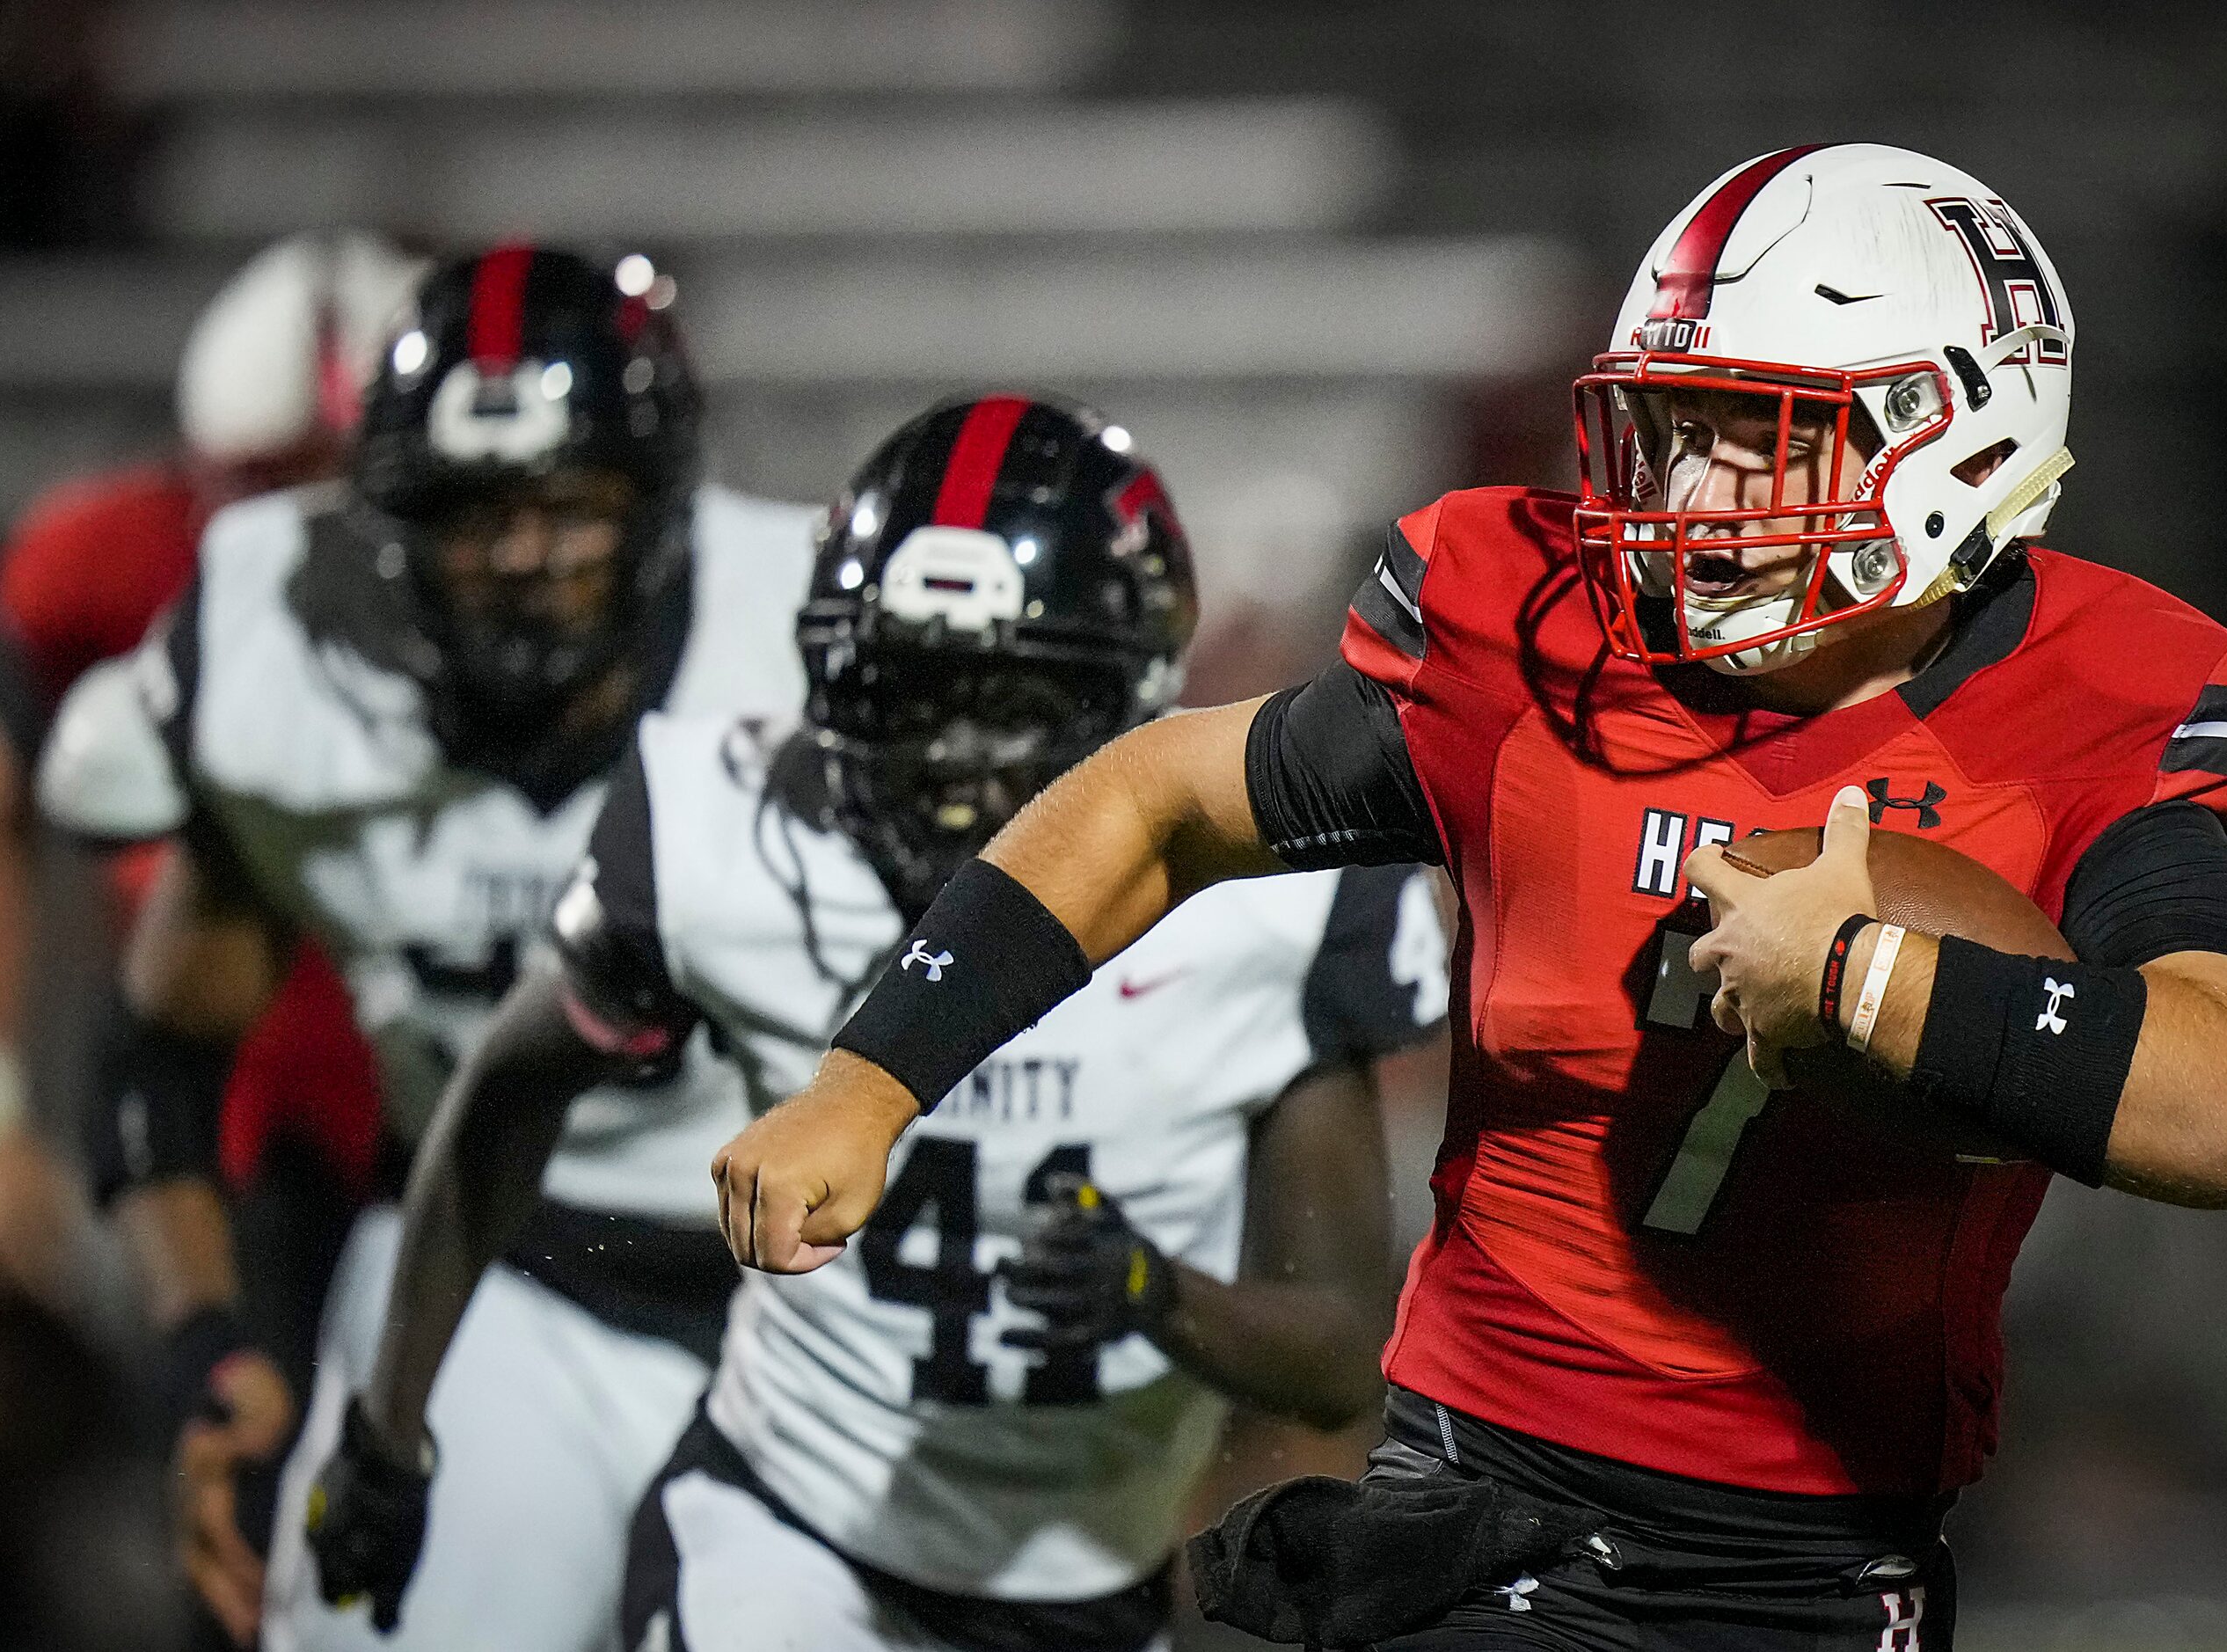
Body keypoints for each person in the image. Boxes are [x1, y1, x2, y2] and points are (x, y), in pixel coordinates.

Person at [710, 145, 2227, 1648]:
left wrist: (1873, 985)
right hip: (1479, 1499)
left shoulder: (2091, 696)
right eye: (1672, 431)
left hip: (1820, 1558)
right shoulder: (1533, 634)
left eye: (1758, 437)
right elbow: (1155, 800)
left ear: (1949, 433)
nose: (1688, 498)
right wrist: (875, 1070)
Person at [291, 395, 1448, 1652]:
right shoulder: (720, 833)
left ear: (1131, 697)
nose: (951, 757)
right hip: (782, 1534)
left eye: (1006, 699)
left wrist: (1150, 1293)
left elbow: (1339, 1356)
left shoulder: (1275, 913)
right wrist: (386, 1428)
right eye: (907, 690)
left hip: (1091, 1586)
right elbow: (502, 1096)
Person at [36, 244, 822, 1650]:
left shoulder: (808, 634)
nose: (522, 558)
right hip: (495, 1287)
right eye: (471, 514)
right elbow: (156, 1062)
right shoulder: (286, 657)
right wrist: (208, 1349)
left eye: (568, 508)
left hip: (834, 1298)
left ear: (658, 507)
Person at [0, 231, 416, 1314]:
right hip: (209, 1090)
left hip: (437, 1087)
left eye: (344, 485)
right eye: (269, 486)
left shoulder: (510, 589)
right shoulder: (116, 573)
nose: (304, 530)